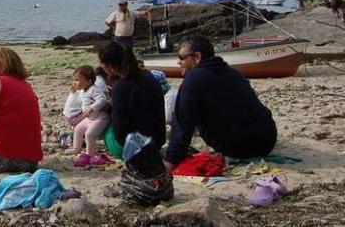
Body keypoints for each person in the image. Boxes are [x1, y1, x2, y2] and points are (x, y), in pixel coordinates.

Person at [163, 35, 278, 169]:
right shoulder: (233, 72)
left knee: (188, 112)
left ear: (197, 57)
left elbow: (183, 123)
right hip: (267, 140)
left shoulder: (193, 78)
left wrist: (170, 161)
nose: (179, 62)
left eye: (181, 57)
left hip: (240, 148)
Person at [97, 41, 172, 205]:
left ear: (110, 66)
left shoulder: (121, 87)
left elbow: (119, 131)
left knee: (104, 126)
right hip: (157, 140)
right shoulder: (148, 76)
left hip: (137, 148)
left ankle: (127, 162)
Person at [65, 66, 109, 163]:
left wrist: (92, 107)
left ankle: (90, 154)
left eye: (77, 80)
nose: (75, 82)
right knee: (77, 129)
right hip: (89, 119)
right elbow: (77, 101)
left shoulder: (94, 89)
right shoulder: (82, 91)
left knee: (89, 134)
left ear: (88, 82)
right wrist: (74, 92)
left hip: (100, 119)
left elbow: (103, 99)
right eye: (74, 80)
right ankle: (76, 148)